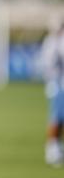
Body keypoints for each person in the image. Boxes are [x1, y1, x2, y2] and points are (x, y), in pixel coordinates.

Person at [41, 18, 64, 167]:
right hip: (59, 84)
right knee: (57, 117)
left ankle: (55, 147)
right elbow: (49, 63)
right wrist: (52, 82)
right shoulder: (54, 41)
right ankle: (52, 149)